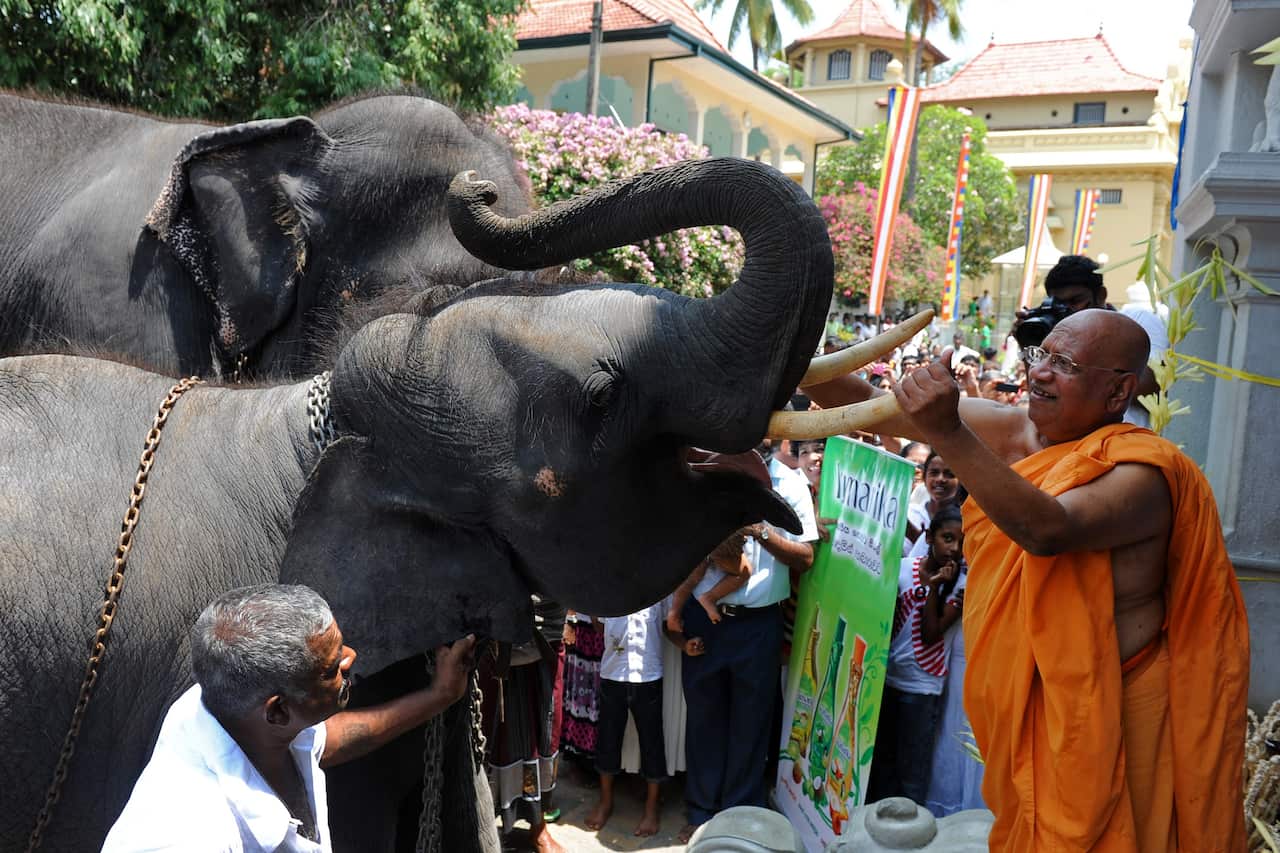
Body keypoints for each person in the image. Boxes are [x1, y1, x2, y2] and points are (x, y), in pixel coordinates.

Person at [803, 309, 1250, 852]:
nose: (1039, 372)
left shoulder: (1146, 474)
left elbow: (1048, 527)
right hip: (1034, 709)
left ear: (1118, 392)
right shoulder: (1017, 430)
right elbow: (863, 410)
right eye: (1042, 355)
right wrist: (781, 350)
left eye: (1064, 363)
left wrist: (946, 429)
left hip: (1117, 717)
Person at [103, 584, 476, 852]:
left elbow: (326, 740)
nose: (351, 657)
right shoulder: (190, 833)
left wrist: (438, 696)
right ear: (278, 709)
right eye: (331, 668)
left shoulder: (243, 720)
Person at [676, 444, 818, 844]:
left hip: (758, 624)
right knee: (705, 718)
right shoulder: (707, 470)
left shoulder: (789, 484)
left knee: (751, 723)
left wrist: (760, 529)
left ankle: (738, 819)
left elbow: (805, 557)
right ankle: (701, 812)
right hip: (705, 620)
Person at [868, 507, 966, 805]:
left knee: (912, 772)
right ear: (929, 537)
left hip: (922, 690)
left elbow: (931, 633)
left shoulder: (962, 585)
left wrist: (934, 587)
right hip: (886, 682)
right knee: (880, 766)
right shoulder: (901, 569)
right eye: (947, 538)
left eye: (963, 541)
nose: (954, 548)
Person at [585, 597, 672, 837]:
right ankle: (605, 802)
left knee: (652, 742)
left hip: (648, 675)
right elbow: (599, 624)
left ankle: (652, 808)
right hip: (614, 673)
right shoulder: (612, 588)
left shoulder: (660, 589)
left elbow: (668, 622)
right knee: (608, 740)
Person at [669, 531, 752, 625]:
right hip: (709, 613)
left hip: (754, 613)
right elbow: (691, 579)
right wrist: (674, 612)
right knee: (743, 573)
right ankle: (709, 598)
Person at [904, 450, 959, 549]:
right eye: (934, 473)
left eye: (949, 474)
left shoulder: (964, 522)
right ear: (924, 478)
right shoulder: (909, 513)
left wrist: (916, 537)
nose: (940, 479)